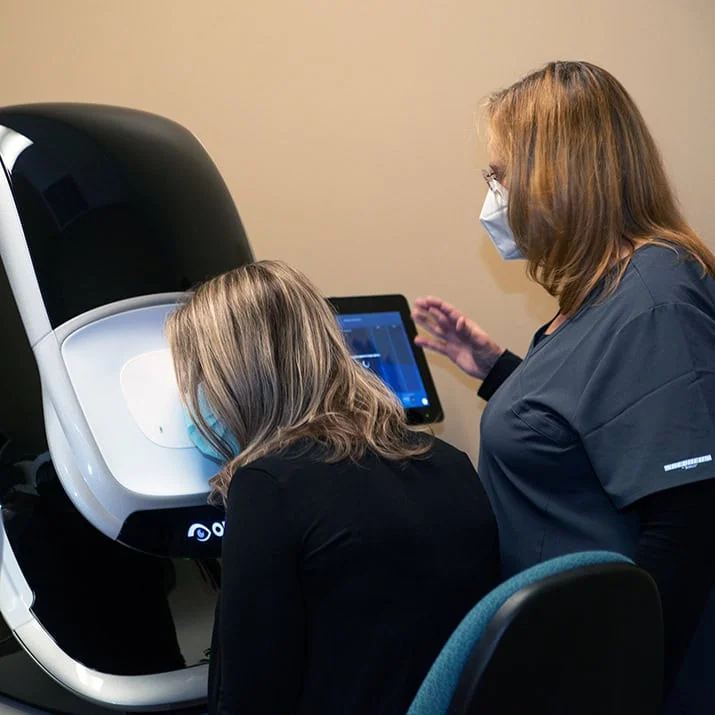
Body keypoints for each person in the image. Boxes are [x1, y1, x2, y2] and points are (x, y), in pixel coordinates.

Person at [413, 60, 715, 713]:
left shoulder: (654, 297)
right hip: (571, 648)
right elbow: (593, 434)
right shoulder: (596, 297)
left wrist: (620, 683)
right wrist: (496, 369)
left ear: (558, 174)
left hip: (625, 672)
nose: (490, 199)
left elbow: (687, 520)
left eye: (498, 176)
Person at [166, 260, 499, 715]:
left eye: (198, 376)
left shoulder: (267, 486)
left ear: (235, 377)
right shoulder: (450, 462)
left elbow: (247, 699)